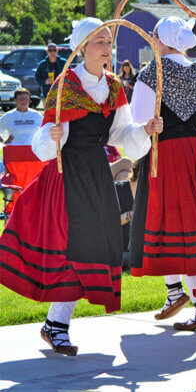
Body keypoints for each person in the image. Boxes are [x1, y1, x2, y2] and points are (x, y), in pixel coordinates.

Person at [0, 18, 156, 356]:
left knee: (90, 249)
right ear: (83, 47)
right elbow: (44, 140)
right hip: (66, 174)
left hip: (95, 175)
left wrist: (145, 130)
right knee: (70, 249)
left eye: (109, 40)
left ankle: (56, 323)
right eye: (100, 41)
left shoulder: (114, 86)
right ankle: (56, 325)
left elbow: (121, 136)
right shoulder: (65, 84)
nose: (107, 47)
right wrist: (50, 135)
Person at [127, 16, 196, 331]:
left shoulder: (150, 73)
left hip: (163, 152)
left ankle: (193, 300)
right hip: (194, 151)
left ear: (163, 39)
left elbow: (138, 121)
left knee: (163, 220)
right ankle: (184, 296)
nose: (151, 40)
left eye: (154, 35)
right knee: (191, 225)